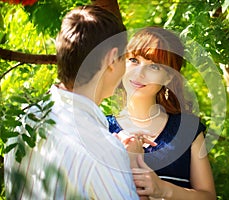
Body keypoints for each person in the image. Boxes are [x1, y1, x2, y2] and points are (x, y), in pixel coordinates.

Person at [4, 5, 139, 199]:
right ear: (111, 59)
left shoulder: (24, 119)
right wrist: (130, 162)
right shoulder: (104, 152)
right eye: (124, 58)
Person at [107, 27, 216, 199]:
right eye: (134, 60)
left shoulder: (187, 129)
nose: (139, 73)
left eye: (154, 67)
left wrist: (163, 188)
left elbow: (208, 196)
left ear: (168, 77)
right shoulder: (102, 128)